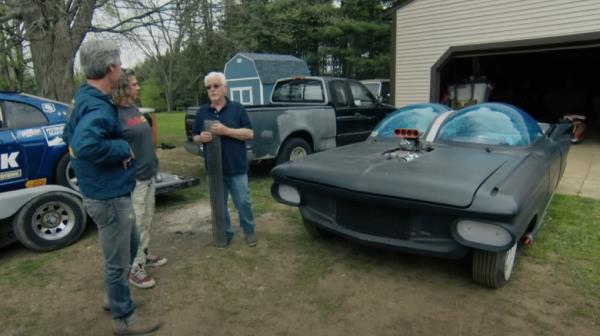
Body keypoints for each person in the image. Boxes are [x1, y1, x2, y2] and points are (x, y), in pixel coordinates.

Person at [63, 40, 162, 335]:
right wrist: (121, 148)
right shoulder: (97, 107)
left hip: (107, 190)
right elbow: (82, 144)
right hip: (106, 196)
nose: (121, 69)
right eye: (119, 65)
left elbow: (69, 135)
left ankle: (114, 298)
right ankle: (124, 319)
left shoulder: (84, 96)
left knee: (129, 247)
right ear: (110, 69)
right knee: (118, 261)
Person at [112, 68, 167, 289]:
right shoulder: (114, 114)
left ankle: (143, 255)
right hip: (133, 181)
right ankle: (134, 269)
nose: (138, 87)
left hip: (148, 175)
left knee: (147, 221)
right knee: (135, 226)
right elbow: (109, 145)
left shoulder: (133, 109)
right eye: (134, 84)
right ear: (123, 87)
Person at [192, 71, 257, 247]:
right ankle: (225, 233)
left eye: (216, 86)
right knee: (219, 205)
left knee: (243, 202)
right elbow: (194, 137)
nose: (212, 90)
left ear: (225, 89)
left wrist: (226, 131)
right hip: (214, 170)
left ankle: (249, 230)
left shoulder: (238, 109)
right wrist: (201, 138)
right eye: (209, 87)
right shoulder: (202, 112)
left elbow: (249, 133)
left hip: (236, 166)